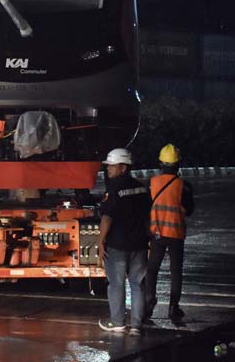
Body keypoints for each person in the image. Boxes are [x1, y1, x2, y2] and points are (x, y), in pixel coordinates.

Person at [98, 148, 152, 336]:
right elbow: (148, 217)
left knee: (116, 284)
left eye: (111, 166)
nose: (108, 170)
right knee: (138, 284)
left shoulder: (113, 189)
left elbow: (107, 217)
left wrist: (101, 240)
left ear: (123, 167)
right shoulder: (142, 188)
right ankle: (137, 325)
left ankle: (118, 322)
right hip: (139, 244)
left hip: (117, 246)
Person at [145, 143, 195, 322]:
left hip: (156, 233)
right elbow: (189, 210)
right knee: (176, 271)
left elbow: (145, 208)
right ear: (178, 165)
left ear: (160, 164)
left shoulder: (151, 183)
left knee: (152, 269)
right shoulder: (184, 186)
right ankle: (174, 307)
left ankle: (149, 302)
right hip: (176, 234)